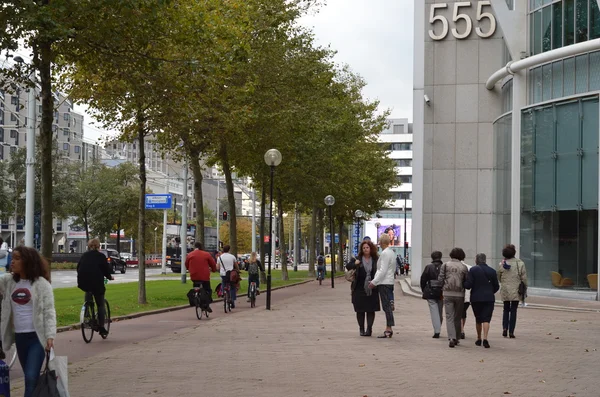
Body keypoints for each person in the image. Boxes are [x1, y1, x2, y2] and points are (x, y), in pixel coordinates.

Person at [0, 246, 56, 397]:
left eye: (17, 259)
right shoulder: (9, 282)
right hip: (20, 338)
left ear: (28, 262)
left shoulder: (42, 284)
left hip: (37, 338)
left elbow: (49, 311)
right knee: (30, 378)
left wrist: (50, 335)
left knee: (31, 377)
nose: (13, 262)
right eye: (13, 258)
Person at [77, 238, 113, 336]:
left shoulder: (84, 256)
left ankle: (87, 313)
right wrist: (110, 277)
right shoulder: (101, 256)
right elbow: (106, 270)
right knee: (100, 304)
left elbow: (78, 267)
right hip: (97, 283)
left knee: (88, 291)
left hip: (83, 282)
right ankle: (101, 328)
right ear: (98, 246)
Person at [464, 253, 500, 348]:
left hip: (476, 298)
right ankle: (485, 338)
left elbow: (469, 285)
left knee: (478, 319)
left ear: (476, 260)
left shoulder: (473, 270)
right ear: (485, 260)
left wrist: (464, 283)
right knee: (486, 319)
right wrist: (490, 291)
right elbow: (496, 286)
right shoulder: (492, 271)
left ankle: (478, 338)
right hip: (489, 298)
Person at [345, 240, 380, 336]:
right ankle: (361, 329)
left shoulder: (376, 259)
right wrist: (355, 264)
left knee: (370, 309)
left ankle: (369, 329)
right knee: (360, 310)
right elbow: (348, 266)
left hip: (372, 288)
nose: (365, 249)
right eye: (364, 248)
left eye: (367, 247)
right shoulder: (357, 258)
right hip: (359, 288)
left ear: (371, 248)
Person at [438, 247, 468, 348]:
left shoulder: (445, 265)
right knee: (457, 316)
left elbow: (440, 278)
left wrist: (442, 289)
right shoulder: (464, 267)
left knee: (449, 316)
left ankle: (451, 337)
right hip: (460, 294)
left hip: (447, 293)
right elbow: (466, 281)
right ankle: (457, 337)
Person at [497, 244, 527, 338]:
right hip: (516, 290)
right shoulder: (520, 263)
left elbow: (499, 276)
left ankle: (504, 328)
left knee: (505, 309)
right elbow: (524, 278)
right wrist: (525, 287)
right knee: (514, 310)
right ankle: (511, 331)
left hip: (505, 289)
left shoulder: (502, 264)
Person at [369, 234, 396, 338]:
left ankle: (389, 328)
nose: (378, 243)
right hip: (389, 281)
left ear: (381, 242)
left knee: (386, 306)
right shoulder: (391, 253)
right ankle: (389, 327)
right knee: (388, 305)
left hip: (384, 282)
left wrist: (374, 282)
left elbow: (382, 270)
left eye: (379, 241)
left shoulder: (384, 254)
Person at [185, 242, 217, 312]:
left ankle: (197, 299)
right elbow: (213, 264)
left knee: (196, 286)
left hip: (194, 276)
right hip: (204, 276)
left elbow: (186, 264)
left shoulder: (190, 254)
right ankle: (207, 305)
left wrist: (189, 269)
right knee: (208, 290)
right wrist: (214, 270)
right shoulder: (206, 254)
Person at [420, 251, 444, 338]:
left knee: (434, 311)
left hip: (430, 291)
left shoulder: (428, 267)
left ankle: (437, 330)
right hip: (441, 291)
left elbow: (423, 279)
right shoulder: (443, 267)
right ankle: (438, 326)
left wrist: (424, 290)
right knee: (440, 310)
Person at [460, 260, 473, 339]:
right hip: (468, 296)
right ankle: (462, 329)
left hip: (459, 294)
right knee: (463, 313)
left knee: (459, 314)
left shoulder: (454, 267)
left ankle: (461, 330)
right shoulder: (470, 268)